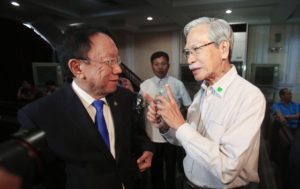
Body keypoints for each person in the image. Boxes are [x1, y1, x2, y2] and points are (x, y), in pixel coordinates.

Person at [17, 25, 154, 189]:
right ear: (77, 67)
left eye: (117, 60)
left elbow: (136, 134)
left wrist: (147, 148)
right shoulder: (39, 115)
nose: (118, 69)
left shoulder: (125, 98)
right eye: (109, 62)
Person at [144, 17, 266, 189]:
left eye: (196, 49)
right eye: (187, 52)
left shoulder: (249, 97)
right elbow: (186, 140)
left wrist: (180, 125)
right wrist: (166, 125)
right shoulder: (202, 92)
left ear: (223, 49)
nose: (189, 60)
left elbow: (227, 170)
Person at [140, 51, 192, 189]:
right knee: (155, 171)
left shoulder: (177, 84)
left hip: (172, 136)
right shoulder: (144, 86)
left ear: (168, 65)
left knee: (171, 169)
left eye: (163, 64)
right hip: (152, 136)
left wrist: (175, 116)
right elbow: (139, 109)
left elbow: (188, 106)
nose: (160, 67)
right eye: (156, 64)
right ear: (152, 66)